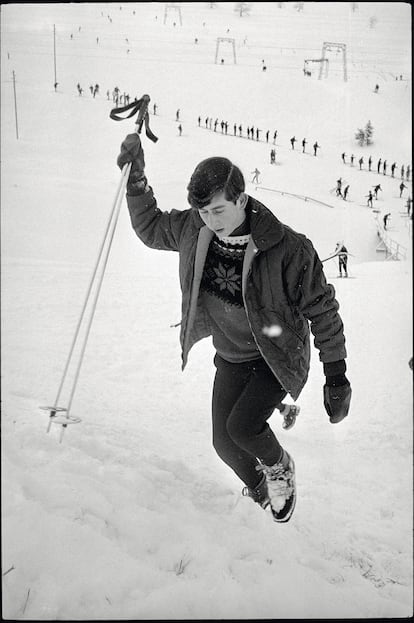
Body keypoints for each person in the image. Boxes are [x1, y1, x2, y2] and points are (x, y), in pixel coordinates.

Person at [116, 134, 351, 524]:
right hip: (231, 355)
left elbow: (323, 311)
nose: (211, 220)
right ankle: (260, 490)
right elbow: (152, 228)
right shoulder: (195, 228)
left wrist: (337, 375)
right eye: (204, 212)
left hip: (277, 356)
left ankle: (280, 468)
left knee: (243, 428)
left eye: (219, 210)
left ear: (242, 199)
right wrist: (136, 181)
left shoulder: (288, 248)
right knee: (223, 443)